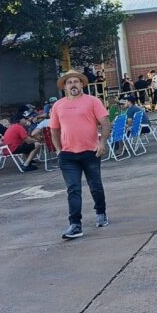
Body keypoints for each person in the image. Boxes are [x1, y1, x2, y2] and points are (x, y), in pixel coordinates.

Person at [50, 69, 111, 240]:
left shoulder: (93, 101)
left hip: (91, 152)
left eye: (76, 82)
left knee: (95, 186)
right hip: (68, 155)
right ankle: (75, 224)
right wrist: (57, 149)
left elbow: (105, 123)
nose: (73, 85)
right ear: (65, 87)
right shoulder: (58, 105)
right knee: (73, 189)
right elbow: (54, 129)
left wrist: (102, 142)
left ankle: (101, 212)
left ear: (82, 84)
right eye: (69, 82)